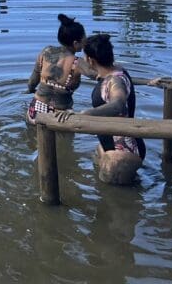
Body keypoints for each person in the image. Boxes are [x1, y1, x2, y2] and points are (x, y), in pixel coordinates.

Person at [55, 33, 145, 185]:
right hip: (114, 146)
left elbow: (118, 104)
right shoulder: (114, 73)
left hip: (123, 151)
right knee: (111, 192)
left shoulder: (114, 80)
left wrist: (85, 114)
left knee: (116, 201)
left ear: (91, 60)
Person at [26, 14, 86, 125]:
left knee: (34, 141)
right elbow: (100, 75)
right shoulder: (79, 63)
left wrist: (30, 89)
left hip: (36, 111)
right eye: (84, 40)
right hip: (61, 116)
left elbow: (33, 81)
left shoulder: (46, 51)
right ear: (76, 43)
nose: (85, 43)